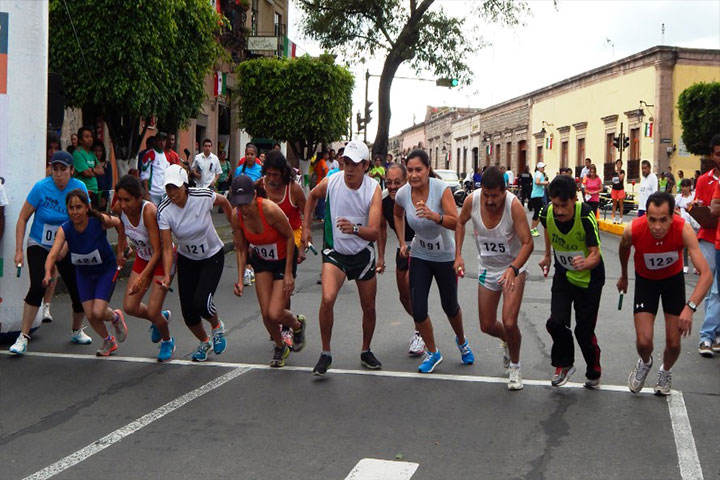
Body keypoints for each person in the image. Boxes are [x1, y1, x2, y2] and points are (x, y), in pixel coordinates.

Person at [302, 140, 382, 376]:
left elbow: (374, 232)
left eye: (355, 164)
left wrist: (354, 229)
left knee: (368, 306)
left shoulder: (373, 189)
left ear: (365, 165)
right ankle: (325, 353)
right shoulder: (332, 181)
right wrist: (306, 228)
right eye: (346, 162)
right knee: (327, 299)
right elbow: (311, 197)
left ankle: (366, 350)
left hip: (363, 254)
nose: (349, 168)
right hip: (336, 253)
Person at [619, 192, 711, 395]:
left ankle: (665, 371)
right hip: (646, 282)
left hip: (672, 282)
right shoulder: (633, 230)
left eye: (663, 220)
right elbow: (624, 249)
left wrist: (690, 308)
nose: (657, 227)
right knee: (644, 341)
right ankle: (645, 363)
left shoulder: (683, 229)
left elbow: (706, 274)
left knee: (674, 343)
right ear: (646, 216)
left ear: (672, 216)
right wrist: (624, 276)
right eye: (652, 220)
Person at [393, 149, 474, 374]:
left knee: (450, 306)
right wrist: (401, 242)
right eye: (410, 170)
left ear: (428, 169)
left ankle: (462, 341)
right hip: (420, 254)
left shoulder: (440, 189)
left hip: (445, 256)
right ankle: (433, 351)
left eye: (418, 170)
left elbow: (456, 222)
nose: (413, 175)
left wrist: (435, 216)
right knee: (418, 309)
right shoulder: (403, 193)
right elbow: (397, 214)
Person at [455, 166, 533, 390]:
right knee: (487, 325)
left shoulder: (513, 206)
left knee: (509, 321)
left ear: (504, 191)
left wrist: (514, 268)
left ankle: (515, 367)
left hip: (513, 267)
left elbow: (528, 243)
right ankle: (509, 339)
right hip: (488, 268)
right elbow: (460, 222)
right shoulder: (472, 201)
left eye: (494, 196)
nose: (489, 201)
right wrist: (458, 255)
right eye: (486, 195)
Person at [9, 152, 92, 355]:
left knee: (78, 289)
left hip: (67, 244)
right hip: (40, 243)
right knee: (39, 284)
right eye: (55, 169)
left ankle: (76, 330)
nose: (59, 174)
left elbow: (84, 219)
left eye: (63, 169)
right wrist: (19, 250)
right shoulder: (41, 187)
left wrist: (67, 245)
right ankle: (23, 336)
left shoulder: (79, 188)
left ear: (72, 170)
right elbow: (22, 218)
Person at [157, 165, 232, 362]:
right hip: (187, 259)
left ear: (185, 185)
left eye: (175, 187)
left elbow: (224, 202)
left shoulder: (202, 196)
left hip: (212, 255)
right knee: (188, 311)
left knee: (201, 302)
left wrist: (236, 227)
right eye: (168, 188)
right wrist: (167, 275)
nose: (172, 193)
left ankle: (217, 326)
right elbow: (167, 247)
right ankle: (204, 341)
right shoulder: (164, 210)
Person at [230, 175, 307, 367]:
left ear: (255, 196)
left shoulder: (270, 210)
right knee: (266, 314)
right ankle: (281, 346)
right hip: (262, 261)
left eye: (246, 203)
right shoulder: (236, 216)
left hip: (282, 260)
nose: (243, 209)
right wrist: (240, 279)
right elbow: (241, 249)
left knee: (275, 312)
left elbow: (290, 237)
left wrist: (288, 273)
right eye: (239, 204)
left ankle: (297, 325)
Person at [538, 175, 604, 388]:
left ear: (574, 199)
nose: (559, 211)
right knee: (555, 322)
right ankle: (564, 364)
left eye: (564, 205)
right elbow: (547, 226)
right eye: (555, 205)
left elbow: (596, 254)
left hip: (589, 280)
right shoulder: (547, 212)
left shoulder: (585, 215)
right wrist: (547, 255)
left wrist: (585, 263)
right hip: (564, 275)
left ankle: (593, 370)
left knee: (583, 332)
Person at [44, 189, 127, 356]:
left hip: (105, 270)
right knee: (90, 314)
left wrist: (121, 251)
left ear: (87, 207)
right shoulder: (65, 229)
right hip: (83, 274)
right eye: (71, 208)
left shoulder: (98, 221)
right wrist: (47, 273)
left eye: (79, 207)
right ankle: (108, 341)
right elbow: (52, 254)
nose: (75, 212)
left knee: (98, 312)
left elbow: (119, 223)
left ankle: (115, 317)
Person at [113, 175, 176, 362]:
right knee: (129, 307)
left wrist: (141, 279)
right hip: (143, 256)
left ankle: (167, 341)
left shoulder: (148, 212)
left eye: (127, 200)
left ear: (139, 197)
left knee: (153, 310)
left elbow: (158, 251)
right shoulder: (119, 209)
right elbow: (122, 231)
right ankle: (158, 318)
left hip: (162, 259)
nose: (123, 204)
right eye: (120, 199)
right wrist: (121, 250)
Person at [257, 149, 307, 347]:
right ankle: (278, 319)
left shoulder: (293, 189)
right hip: (268, 240)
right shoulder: (260, 186)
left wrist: (303, 245)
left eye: (275, 175)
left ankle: (287, 327)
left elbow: (306, 213)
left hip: (291, 238)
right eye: (268, 174)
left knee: (284, 288)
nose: (271, 179)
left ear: (284, 173)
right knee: (269, 291)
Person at [377, 163, 425, 356]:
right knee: (403, 296)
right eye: (389, 182)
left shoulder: (416, 195)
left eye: (397, 182)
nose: (392, 187)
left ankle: (420, 332)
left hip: (422, 245)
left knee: (410, 286)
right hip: (402, 247)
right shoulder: (383, 199)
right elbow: (381, 228)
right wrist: (381, 258)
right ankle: (423, 322)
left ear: (406, 181)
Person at [698, 134, 720, 356]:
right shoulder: (704, 180)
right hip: (708, 236)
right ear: (712, 155)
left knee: (716, 289)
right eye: (718, 154)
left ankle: (713, 333)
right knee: (711, 287)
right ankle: (707, 335)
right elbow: (702, 206)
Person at [140, 133, 175, 205]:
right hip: (152, 193)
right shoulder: (150, 154)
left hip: (163, 193)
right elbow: (144, 175)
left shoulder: (167, 155)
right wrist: (146, 193)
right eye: (160, 140)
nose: (162, 143)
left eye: (164, 140)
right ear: (155, 141)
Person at [73, 127, 103, 207]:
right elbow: (86, 173)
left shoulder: (92, 153)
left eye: (91, 137)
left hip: (95, 191)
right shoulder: (77, 153)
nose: (90, 139)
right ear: (80, 140)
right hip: (83, 192)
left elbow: (101, 171)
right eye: (86, 137)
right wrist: (94, 171)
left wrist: (91, 170)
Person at [675, 178, 696, 273]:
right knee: (685, 245)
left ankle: (696, 266)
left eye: (685, 186)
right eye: (682, 186)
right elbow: (672, 208)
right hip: (684, 223)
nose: (684, 188)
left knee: (695, 245)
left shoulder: (694, 196)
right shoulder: (679, 197)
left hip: (694, 222)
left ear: (689, 187)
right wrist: (679, 213)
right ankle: (685, 265)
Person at [93, 141, 113, 211]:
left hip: (103, 195)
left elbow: (110, 182)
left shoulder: (107, 164)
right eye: (95, 151)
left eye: (100, 151)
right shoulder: (91, 164)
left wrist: (105, 197)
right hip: (93, 194)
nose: (98, 153)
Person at [529, 162, 548, 237]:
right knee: (537, 212)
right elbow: (537, 182)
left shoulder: (539, 174)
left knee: (540, 213)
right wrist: (545, 183)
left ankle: (534, 228)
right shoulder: (539, 174)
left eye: (544, 167)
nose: (543, 169)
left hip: (539, 195)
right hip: (537, 195)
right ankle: (532, 228)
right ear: (539, 168)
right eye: (542, 167)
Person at [610, 159, 626, 224]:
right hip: (614, 189)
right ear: (616, 164)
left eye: (620, 163)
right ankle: (613, 218)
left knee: (621, 204)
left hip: (620, 189)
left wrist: (619, 173)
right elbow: (612, 180)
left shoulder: (622, 171)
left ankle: (621, 218)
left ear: (621, 165)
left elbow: (621, 179)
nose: (618, 165)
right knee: (614, 204)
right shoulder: (613, 172)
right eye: (617, 163)